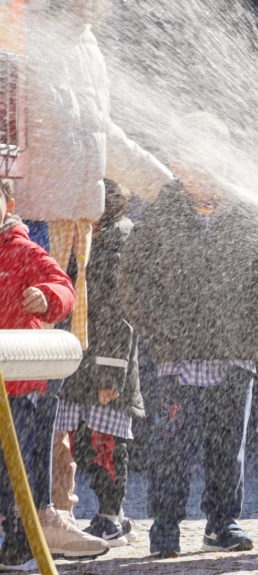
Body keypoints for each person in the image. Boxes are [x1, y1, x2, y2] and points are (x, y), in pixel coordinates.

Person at [15, 0, 172, 520]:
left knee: (56, 373)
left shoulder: (86, 43)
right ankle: (27, 511)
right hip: (33, 227)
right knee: (30, 379)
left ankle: (49, 506)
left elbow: (104, 136)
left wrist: (164, 187)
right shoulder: (18, 30)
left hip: (77, 226)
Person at [118, 113, 258, 558]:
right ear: (176, 162)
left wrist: (255, 331)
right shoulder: (161, 215)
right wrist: (159, 330)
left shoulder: (248, 214)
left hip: (235, 355)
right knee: (172, 444)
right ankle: (165, 524)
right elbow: (132, 277)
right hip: (177, 357)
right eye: (196, 160)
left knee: (227, 445)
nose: (207, 171)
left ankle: (222, 521)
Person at [0, 178, 101, 571]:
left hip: (20, 386)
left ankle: (23, 544)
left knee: (18, 468)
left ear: (9, 206)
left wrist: (45, 298)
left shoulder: (22, 250)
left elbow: (62, 286)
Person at [56, 180, 143, 546]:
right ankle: (87, 514)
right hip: (78, 363)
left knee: (106, 444)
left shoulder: (117, 242)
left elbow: (117, 315)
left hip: (106, 368)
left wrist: (109, 375)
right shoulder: (83, 235)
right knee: (82, 446)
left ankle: (113, 516)